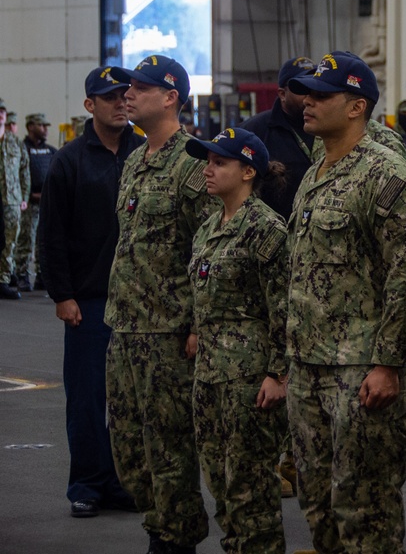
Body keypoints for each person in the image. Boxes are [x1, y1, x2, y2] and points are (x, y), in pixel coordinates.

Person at [284, 51, 406, 553]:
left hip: (361, 371)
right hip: (309, 368)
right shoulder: (315, 172)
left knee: (364, 511)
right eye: (307, 92)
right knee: (319, 509)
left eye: (321, 95)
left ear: (355, 107)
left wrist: (388, 363)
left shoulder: (385, 175)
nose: (308, 102)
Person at [104, 55, 215, 554]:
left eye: (139, 88)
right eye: (127, 87)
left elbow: (209, 248)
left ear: (170, 96)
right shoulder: (135, 159)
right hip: (125, 325)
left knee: (169, 448)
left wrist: (197, 324)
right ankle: (159, 526)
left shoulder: (195, 162)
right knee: (130, 448)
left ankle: (175, 540)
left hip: (168, 332)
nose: (128, 94)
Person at [37, 67, 145, 519]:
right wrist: (62, 294)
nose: (121, 103)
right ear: (90, 106)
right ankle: (86, 484)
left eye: (126, 96)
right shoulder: (70, 160)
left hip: (140, 304)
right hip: (89, 301)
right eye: (110, 97)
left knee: (132, 402)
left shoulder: (145, 153)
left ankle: (121, 483)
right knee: (86, 399)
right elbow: (52, 234)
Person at [185, 128, 289, 554]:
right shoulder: (210, 226)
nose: (207, 170)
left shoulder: (266, 229)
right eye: (207, 161)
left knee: (252, 494)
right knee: (223, 493)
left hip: (250, 382)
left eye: (218, 163)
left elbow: (284, 308)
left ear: (248, 172)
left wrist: (278, 374)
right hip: (210, 378)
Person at [239, 55, 316, 499]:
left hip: (317, 264)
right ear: (281, 91)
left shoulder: (323, 128)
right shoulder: (258, 132)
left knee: (304, 365)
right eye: (297, 89)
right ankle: (273, 457)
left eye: (313, 89)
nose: (307, 97)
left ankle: (296, 455)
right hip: (270, 259)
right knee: (272, 362)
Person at [240, 56, 317, 221]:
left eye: (314, 85)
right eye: (301, 87)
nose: (310, 95)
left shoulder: (329, 128)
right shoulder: (254, 132)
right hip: (272, 233)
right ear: (282, 94)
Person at [14, 113, 57, 291]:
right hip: (28, 203)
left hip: (47, 202)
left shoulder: (51, 151)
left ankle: (42, 275)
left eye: (46, 126)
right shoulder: (22, 148)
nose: (45, 129)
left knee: (45, 240)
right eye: (41, 125)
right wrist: (28, 195)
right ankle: (22, 274)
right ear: (31, 126)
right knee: (26, 239)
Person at [0, 104, 29, 299]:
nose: (0, 115)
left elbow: (24, 171)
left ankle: (2, 280)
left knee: (10, 241)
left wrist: (24, 197)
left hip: (11, 200)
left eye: (2, 112)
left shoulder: (15, 142)